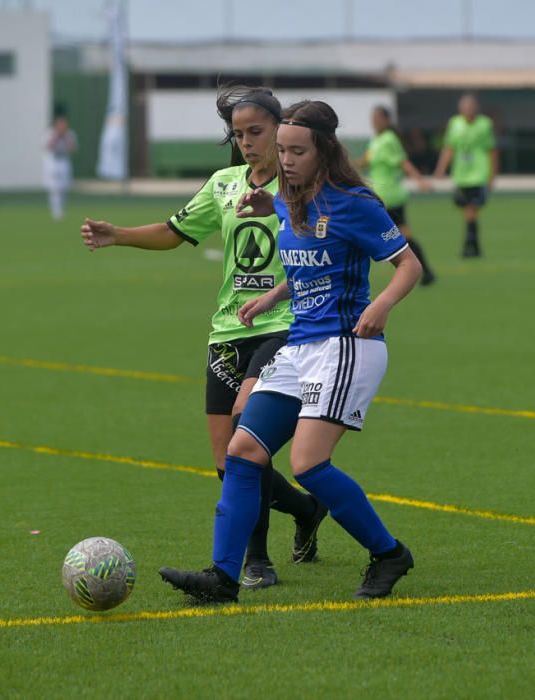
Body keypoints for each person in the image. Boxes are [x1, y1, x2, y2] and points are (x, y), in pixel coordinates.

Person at [160, 100, 422, 603]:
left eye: (297, 151)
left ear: (324, 150)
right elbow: (306, 264)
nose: (286, 160)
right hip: (300, 345)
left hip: (347, 345)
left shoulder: (354, 203)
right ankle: (223, 577)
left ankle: (389, 553)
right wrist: (273, 295)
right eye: (281, 150)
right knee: (243, 452)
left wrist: (384, 304)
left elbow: (408, 265)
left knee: (306, 464)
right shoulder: (287, 199)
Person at [80, 86, 326, 590]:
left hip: (283, 328)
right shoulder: (224, 185)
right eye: (237, 134)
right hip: (227, 332)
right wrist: (118, 235)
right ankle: (305, 509)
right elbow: (174, 231)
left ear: (282, 128)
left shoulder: (302, 183)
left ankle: (256, 560)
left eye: (256, 132)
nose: (246, 142)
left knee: (246, 430)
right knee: (225, 461)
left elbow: (327, 238)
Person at [358, 105, 435, 285]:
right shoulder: (376, 140)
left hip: (390, 196)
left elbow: (403, 162)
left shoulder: (389, 139)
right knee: (400, 234)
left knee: (392, 234)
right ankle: (424, 271)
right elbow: (365, 162)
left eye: (377, 118)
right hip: (381, 197)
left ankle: (416, 269)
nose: (374, 121)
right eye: (373, 118)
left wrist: (419, 180)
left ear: (386, 120)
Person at [433, 93, 498, 258]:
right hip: (461, 175)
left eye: (470, 107)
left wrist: (492, 175)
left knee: (471, 209)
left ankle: (470, 245)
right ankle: (473, 245)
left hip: (478, 174)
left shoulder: (485, 124)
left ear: (476, 108)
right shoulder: (454, 123)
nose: (468, 110)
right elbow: (449, 147)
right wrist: (441, 169)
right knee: (467, 210)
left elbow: (491, 150)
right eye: (465, 107)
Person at [44, 114, 78, 220]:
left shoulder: (70, 134)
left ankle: (61, 208)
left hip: (64, 162)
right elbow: (47, 147)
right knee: (54, 188)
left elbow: (73, 148)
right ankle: (56, 211)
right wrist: (56, 136)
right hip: (53, 162)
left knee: (64, 187)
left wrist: (65, 137)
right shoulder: (50, 133)